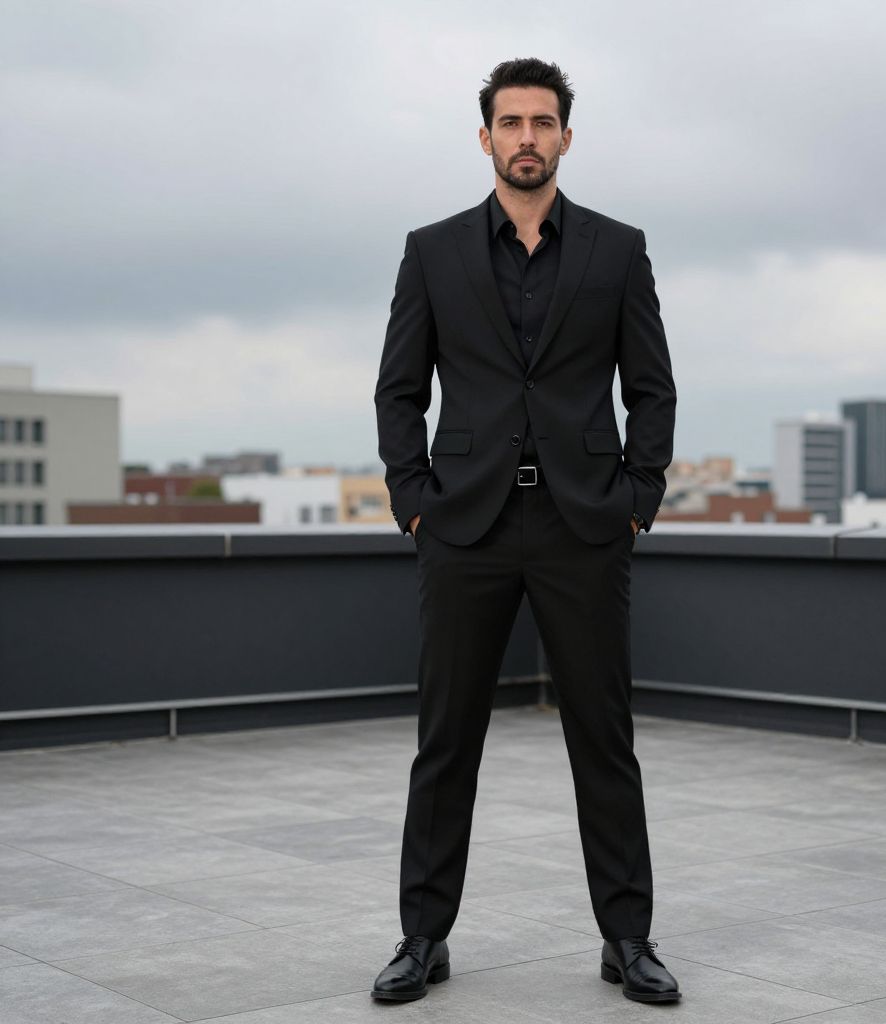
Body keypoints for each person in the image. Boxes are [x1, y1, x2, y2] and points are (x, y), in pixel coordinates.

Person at [372, 57, 678, 1004]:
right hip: (463, 525)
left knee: (604, 736)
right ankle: (422, 937)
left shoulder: (618, 250)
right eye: (511, 124)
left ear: (566, 139)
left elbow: (652, 387)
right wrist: (414, 497)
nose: (528, 139)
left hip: (583, 524)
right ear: (487, 138)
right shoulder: (433, 251)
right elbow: (399, 388)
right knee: (446, 737)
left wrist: (638, 497)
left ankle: (627, 939)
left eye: (544, 123)